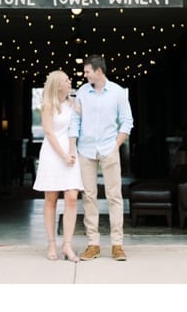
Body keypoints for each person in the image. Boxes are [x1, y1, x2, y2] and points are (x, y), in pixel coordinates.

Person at [76, 55, 134, 261]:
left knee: (114, 196)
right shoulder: (82, 92)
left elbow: (127, 120)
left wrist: (116, 145)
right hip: (85, 150)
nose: (84, 75)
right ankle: (93, 244)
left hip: (109, 148)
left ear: (99, 72)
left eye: (87, 71)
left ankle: (117, 245)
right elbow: (76, 119)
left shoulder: (118, 92)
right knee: (89, 196)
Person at [33, 69, 81, 262]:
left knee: (71, 196)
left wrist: (71, 152)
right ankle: (51, 243)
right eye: (66, 80)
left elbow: (75, 127)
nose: (70, 82)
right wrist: (63, 156)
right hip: (53, 154)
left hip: (70, 152)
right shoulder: (48, 105)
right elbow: (49, 132)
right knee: (51, 198)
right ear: (57, 85)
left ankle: (67, 245)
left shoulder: (73, 103)